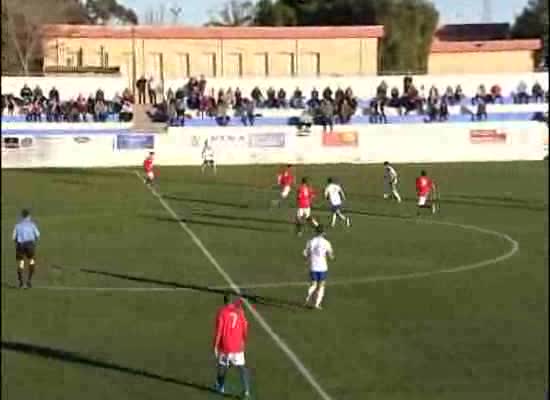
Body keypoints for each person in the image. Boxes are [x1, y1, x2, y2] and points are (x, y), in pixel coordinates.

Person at [213, 294, 251, 398]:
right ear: (232, 301)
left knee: (223, 366)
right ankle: (246, 391)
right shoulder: (239, 311)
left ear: (224, 301)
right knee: (242, 368)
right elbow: (245, 326)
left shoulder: (221, 313)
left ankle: (221, 387)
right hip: (238, 346)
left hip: (225, 346)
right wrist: (244, 339)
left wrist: (215, 346)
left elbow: (219, 331)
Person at [303, 225, 334, 310]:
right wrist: (331, 256)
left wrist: (307, 258)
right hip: (322, 267)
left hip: (313, 266)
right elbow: (331, 256)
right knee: (321, 285)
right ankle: (317, 304)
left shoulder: (311, 241)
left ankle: (308, 296)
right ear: (323, 233)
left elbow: (306, 254)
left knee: (313, 284)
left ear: (315, 231)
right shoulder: (326, 242)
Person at [13, 209, 40, 289]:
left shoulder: (18, 225)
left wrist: (18, 244)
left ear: (22, 216)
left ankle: (21, 282)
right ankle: (29, 280)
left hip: (20, 245)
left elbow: (14, 237)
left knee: (21, 262)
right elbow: (38, 235)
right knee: (31, 260)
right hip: (30, 246)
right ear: (28, 216)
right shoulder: (32, 225)